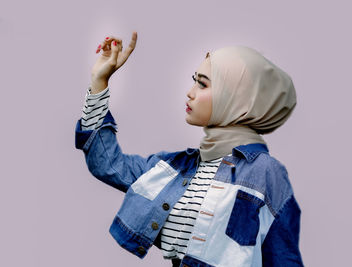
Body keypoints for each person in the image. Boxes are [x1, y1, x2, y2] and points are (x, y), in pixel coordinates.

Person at [74, 31, 304, 267]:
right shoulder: (175, 168)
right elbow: (107, 165)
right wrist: (99, 81)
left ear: (237, 98)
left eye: (202, 84)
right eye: (194, 80)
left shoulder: (266, 173)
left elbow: (284, 259)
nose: (190, 92)